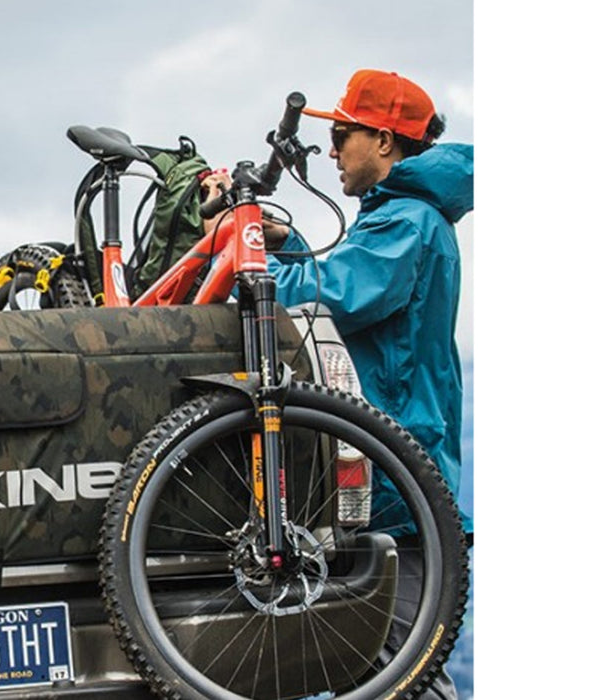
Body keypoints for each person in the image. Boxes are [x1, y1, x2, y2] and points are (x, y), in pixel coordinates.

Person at [207, 68, 473, 698]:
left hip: (398, 489)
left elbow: (333, 299)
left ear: (384, 141)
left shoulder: (407, 221)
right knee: (385, 671)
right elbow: (345, 283)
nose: (330, 150)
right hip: (395, 482)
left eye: (344, 133)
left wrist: (256, 270)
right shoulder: (398, 220)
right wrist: (288, 241)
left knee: (402, 675)